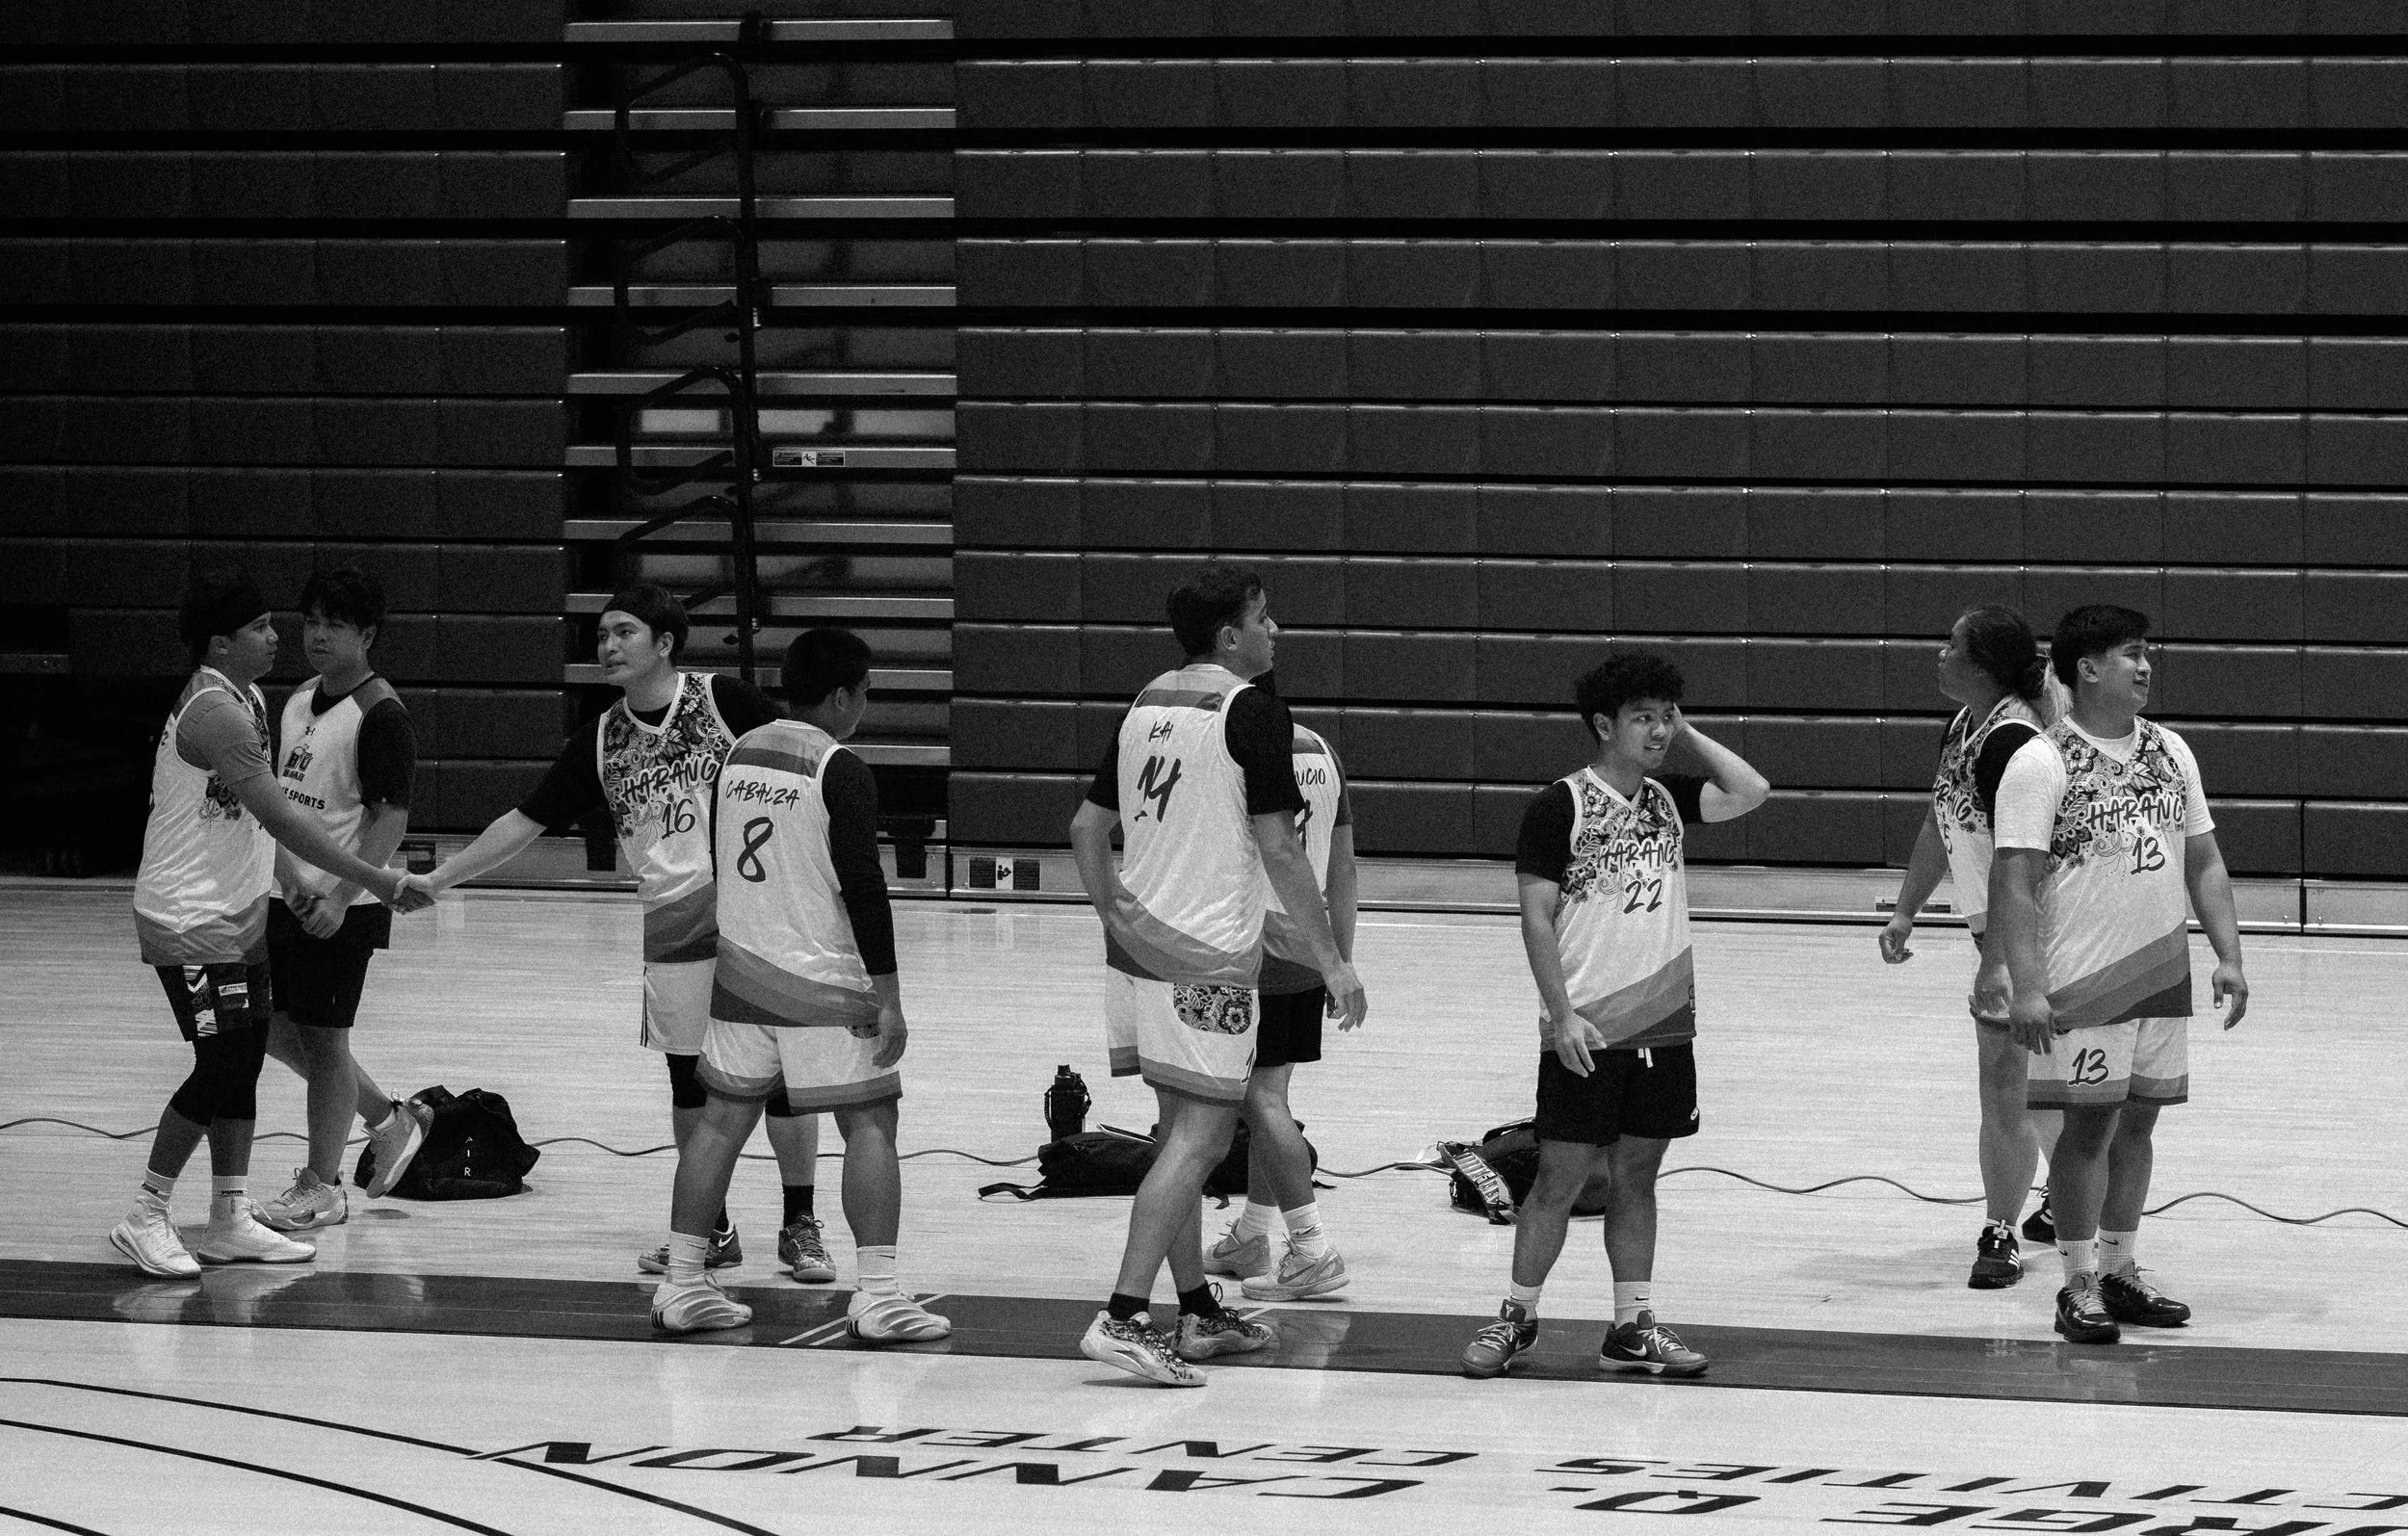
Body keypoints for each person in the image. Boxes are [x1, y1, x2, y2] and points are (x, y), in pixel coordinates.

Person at [406, 585, 829, 1280]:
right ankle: (712, 1227)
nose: (607, 645)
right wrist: (440, 878)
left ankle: (800, 1222)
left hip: (756, 917)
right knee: (690, 1084)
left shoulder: (724, 701)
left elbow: (804, 766)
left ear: (665, 642)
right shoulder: (600, 739)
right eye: (602, 634)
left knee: (783, 1079)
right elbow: (525, 820)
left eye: (624, 632)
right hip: (673, 925)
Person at [1069, 565, 1368, 1387]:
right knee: (1201, 1139)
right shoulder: (1253, 711)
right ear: (1230, 636)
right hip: (1205, 959)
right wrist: (1333, 961)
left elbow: (1086, 829)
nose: (1276, 632)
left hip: (1136, 952)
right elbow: (1281, 850)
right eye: (1264, 619)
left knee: (1178, 1139)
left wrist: (1113, 910)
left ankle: (1196, 1308)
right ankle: (1123, 1316)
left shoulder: (1147, 702)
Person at [1460, 651, 1768, 1381]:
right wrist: (1561, 1015)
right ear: (1604, 725)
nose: (1658, 730)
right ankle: (1516, 1316)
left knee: (1638, 1176)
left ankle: (1632, 1326)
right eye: (1643, 717)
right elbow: (1535, 918)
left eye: (1666, 716)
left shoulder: (1668, 800)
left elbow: (1752, 790)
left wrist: (1687, 733)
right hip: (1587, 1029)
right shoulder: (1558, 806)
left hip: (1664, 1027)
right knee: (1559, 1180)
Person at [114, 575, 431, 1278]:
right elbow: (280, 816)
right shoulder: (217, 713)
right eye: (261, 627)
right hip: (189, 915)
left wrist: (318, 886)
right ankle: (146, 1211)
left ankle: (229, 1215)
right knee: (226, 1062)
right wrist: (377, 881)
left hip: (241, 911)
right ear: (221, 643)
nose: (280, 636)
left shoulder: (251, 698)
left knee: (251, 1053)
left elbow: (268, 825)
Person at [649, 629, 947, 1342]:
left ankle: (682, 1283)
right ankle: (879, 1295)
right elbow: (865, 887)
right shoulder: (839, 767)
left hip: (739, 978)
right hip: (821, 984)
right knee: (870, 1123)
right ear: (841, 696)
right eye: (865, 692)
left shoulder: (735, 757)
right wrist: (889, 995)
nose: (864, 705)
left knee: (718, 1125)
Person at [1987, 606, 2248, 1345]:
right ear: (2088, 667)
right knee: (2089, 1128)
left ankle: (2119, 1267)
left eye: (2147, 653)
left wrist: (2229, 955)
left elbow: (2205, 860)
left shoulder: (2170, 750)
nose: (2146, 666)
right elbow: (2014, 880)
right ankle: (2076, 1281)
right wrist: (2027, 985)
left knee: (2139, 1124)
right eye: (2132, 653)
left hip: (2162, 975)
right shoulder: (2041, 762)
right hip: (2083, 980)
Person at [1879, 606, 2062, 1289]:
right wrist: (1907, 909)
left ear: (1982, 665)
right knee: (2036, 1089)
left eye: (1951, 644)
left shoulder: (2011, 743)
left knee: (2011, 1088)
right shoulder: (1965, 726)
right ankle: (2065, 1199)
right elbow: (1942, 820)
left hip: (2034, 942)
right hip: (2003, 939)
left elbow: (2023, 868)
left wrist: (1998, 963)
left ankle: (2002, 1230)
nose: (1939, 652)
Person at [253, 566, 434, 1231]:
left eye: (335, 624)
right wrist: (288, 877)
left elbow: (390, 822)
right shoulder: (298, 698)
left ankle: (322, 1186)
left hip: (344, 908)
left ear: (368, 635)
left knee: (326, 1042)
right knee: (269, 1026)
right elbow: (278, 801)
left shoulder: (382, 715)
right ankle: (388, 1117)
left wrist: (338, 895)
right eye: (312, 622)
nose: (318, 635)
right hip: (285, 894)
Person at [1202, 703, 1357, 1302]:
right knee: (1272, 1099)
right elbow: (1342, 868)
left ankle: (1312, 1248)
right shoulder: (1323, 749)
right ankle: (1251, 1235)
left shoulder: (1239, 748)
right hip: (1309, 949)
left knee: (1259, 1101)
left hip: (1255, 949)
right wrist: (1338, 961)